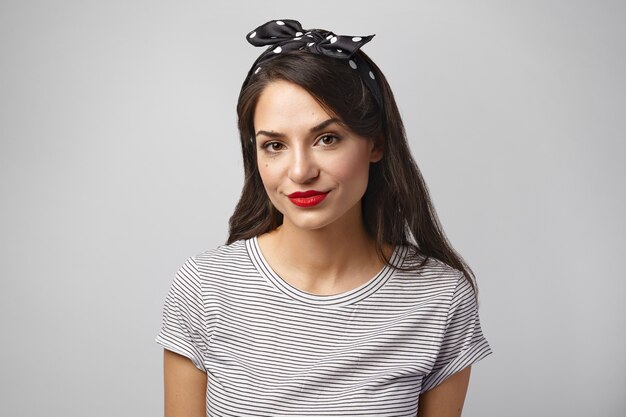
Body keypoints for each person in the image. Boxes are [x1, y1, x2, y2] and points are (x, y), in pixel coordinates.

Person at [156, 19, 492, 417]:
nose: (300, 172)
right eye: (275, 145)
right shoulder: (204, 286)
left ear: (376, 143)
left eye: (327, 139)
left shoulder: (439, 297)